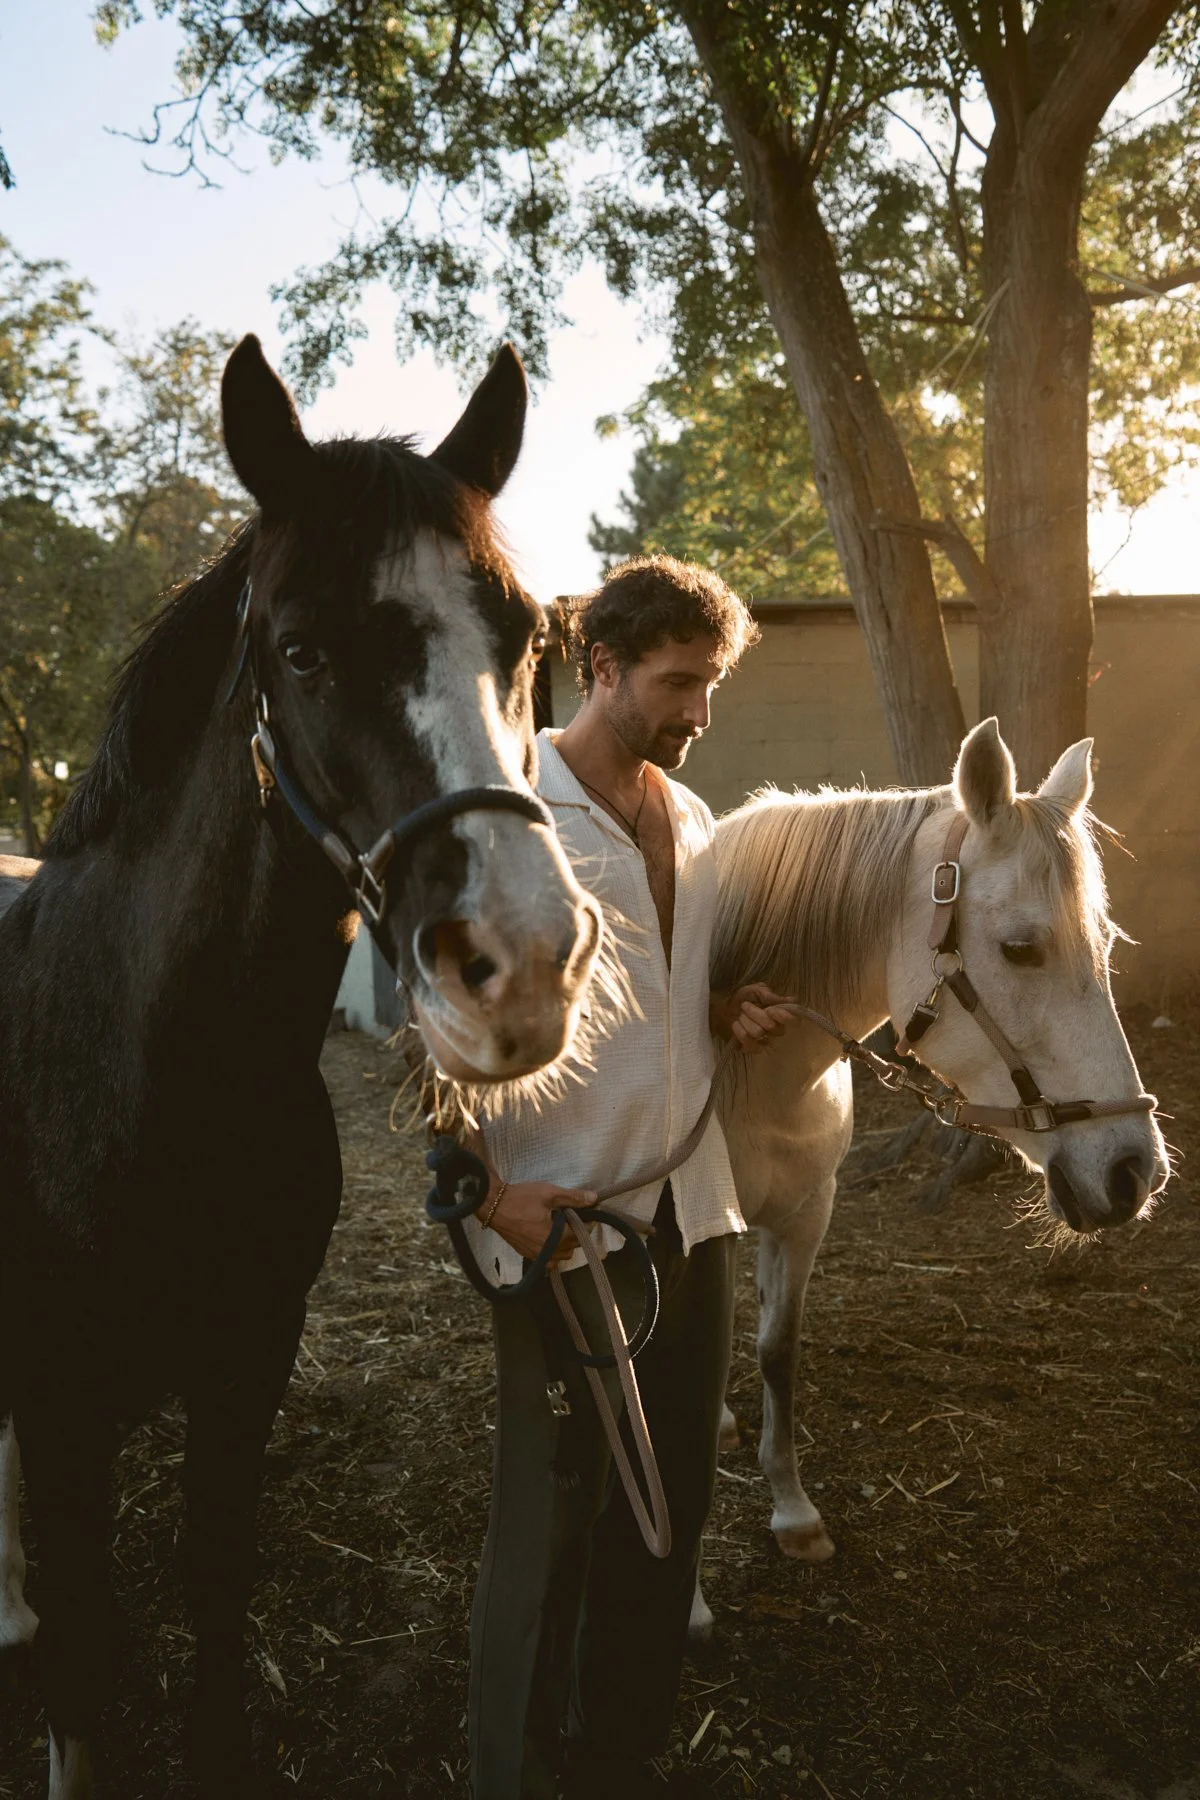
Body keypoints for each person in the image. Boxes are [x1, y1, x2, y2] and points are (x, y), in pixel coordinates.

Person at [465, 555, 794, 1800]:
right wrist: (489, 1195)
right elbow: (429, 1034)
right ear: (601, 666)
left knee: (674, 1516)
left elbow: (648, 984)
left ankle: (621, 1754)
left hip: (690, 1210)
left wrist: (714, 1003)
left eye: (710, 685)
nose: (699, 712)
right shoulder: (510, 804)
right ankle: (516, 1768)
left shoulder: (693, 818)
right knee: (554, 1522)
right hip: (559, 1224)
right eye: (678, 683)